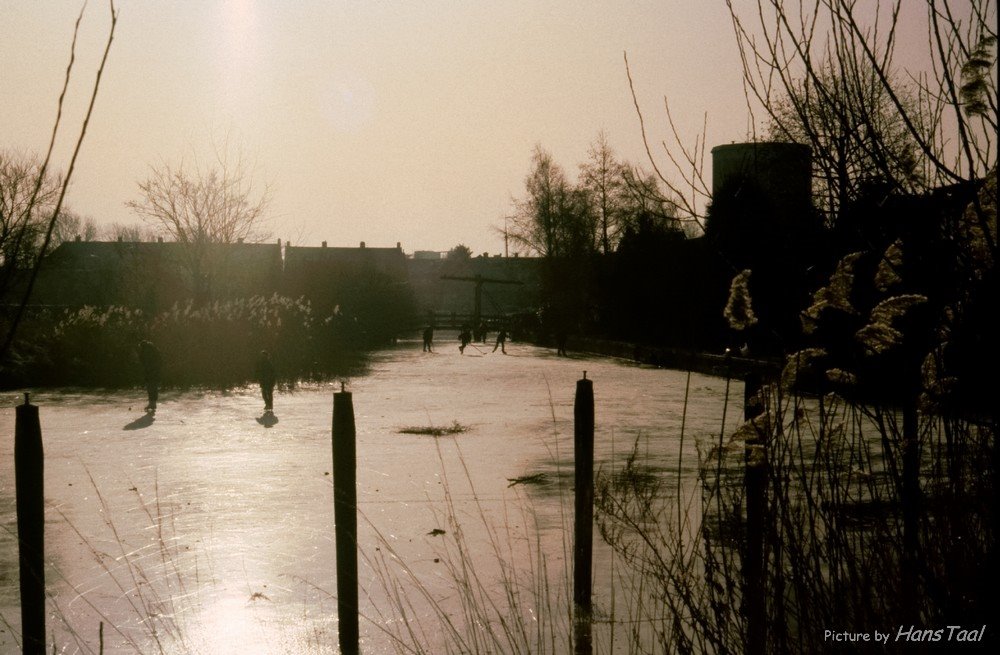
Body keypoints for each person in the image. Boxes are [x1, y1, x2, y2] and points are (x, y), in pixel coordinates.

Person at [138, 340, 162, 413]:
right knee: (154, 387)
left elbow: (142, 361)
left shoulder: (145, 351)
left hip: (149, 372)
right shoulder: (155, 350)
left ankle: (151, 403)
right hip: (156, 371)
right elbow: (160, 360)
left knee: (150, 387)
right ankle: (153, 403)